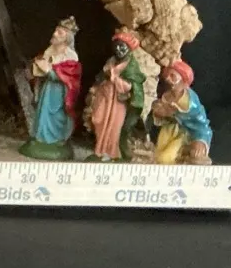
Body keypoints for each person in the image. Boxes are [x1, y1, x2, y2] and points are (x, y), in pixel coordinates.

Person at [21, 18, 82, 159]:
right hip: (47, 88)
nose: (54, 34)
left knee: (57, 114)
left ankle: (57, 138)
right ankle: (41, 138)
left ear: (67, 37)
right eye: (55, 31)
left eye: (59, 32)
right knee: (43, 112)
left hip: (59, 92)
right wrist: (36, 69)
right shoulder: (50, 50)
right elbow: (42, 64)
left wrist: (50, 72)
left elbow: (70, 75)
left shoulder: (70, 55)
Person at [85, 29, 146, 161]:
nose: (118, 49)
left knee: (113, 127)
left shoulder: (131, 66)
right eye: (116, 46)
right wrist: (97, 85)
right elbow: (101, 76)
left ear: (129, 48)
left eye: (122, 46)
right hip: (105, 96)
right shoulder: (111, 61)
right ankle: (100, 150)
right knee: (98, 119)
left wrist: (114, 78)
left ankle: (111, 153)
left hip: (118, 102)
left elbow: (132, 86)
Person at [150, 60, 212, 165]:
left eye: (172, 76)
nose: (168, 79)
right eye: (166, 76)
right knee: (158, 156)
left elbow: (200, 122)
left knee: (165, 158)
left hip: (184, 133)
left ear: (183, 78)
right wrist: (158, 113)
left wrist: (200, 140)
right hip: (168, 132)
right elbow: (161, 116)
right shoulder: (166, 96)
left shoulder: (190, 100)